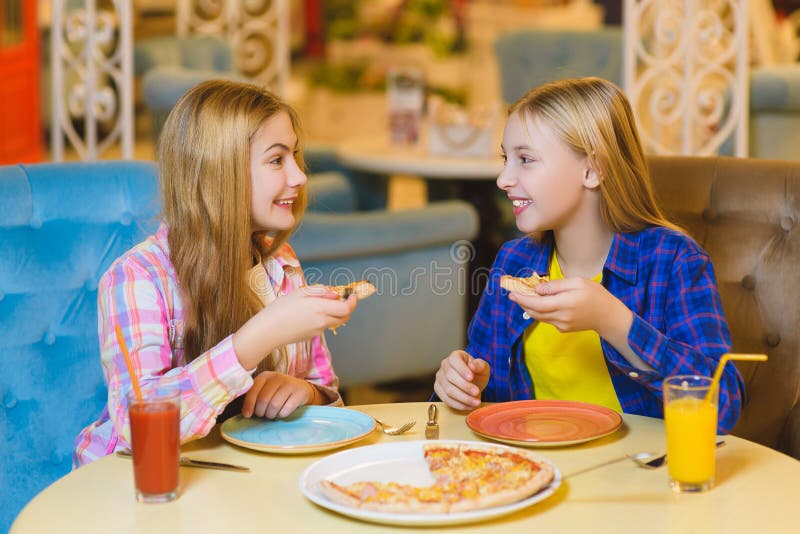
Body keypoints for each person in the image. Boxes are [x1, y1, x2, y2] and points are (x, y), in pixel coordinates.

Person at [433, 77, 744, 433]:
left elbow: (724, 407)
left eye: (525, 159)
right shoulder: (513, 261)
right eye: (506, 159)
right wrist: (464, 382)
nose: (504, 178)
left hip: (638, 477)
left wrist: (613, 321)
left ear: (592, 169)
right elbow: (490, 401)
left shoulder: (674, 260)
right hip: (533, 470)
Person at [74, 80, 358, 466]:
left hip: (239, 479)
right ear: (219, 174)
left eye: (295, 155)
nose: (299, 176)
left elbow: (327, 391)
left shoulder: (282, 264)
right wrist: (258, 337)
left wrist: (303, 393)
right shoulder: (137, 278)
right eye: (277, 160)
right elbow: (138, 422)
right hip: (136, 489)